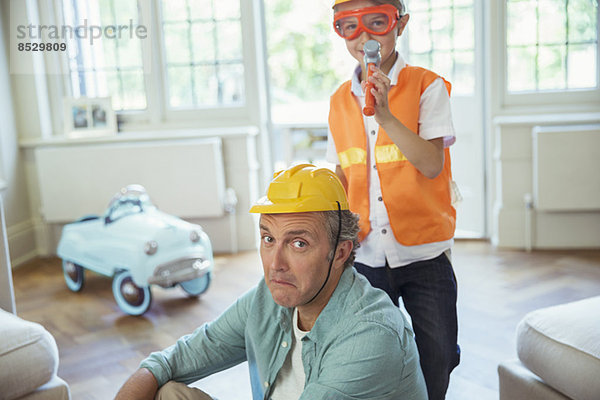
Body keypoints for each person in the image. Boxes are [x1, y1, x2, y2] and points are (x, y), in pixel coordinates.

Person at [115, 164, 427, 400]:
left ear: (341, 251)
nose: (275, 264)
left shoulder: (370, 335)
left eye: (298, 244)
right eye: (268, 238)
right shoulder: (268, 299)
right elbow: (176, 359)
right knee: (168, 392)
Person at [327, 1, 460, 399]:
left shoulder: (426, 85)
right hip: (367, 254)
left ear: (399, 24)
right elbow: (342, 174)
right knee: (374, 353)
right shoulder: (338, 101)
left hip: (425, 254)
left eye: (376, 22)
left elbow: (432, 163)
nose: (364, 37)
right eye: (349, 26)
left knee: (436, 352)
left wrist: (385, 116)